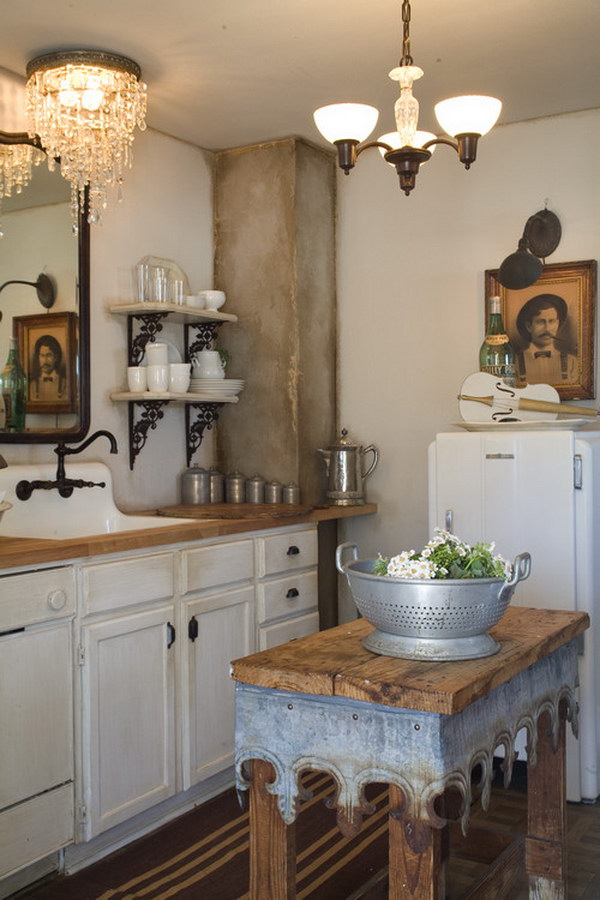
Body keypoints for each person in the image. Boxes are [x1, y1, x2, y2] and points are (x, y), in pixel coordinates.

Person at [515, 293, 577, 385]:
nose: (547, 328)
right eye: (540, 322)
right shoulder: (514, 363)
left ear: (558, 324)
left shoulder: (571, 362)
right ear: (529, 326)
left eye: (552, 321)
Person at [29, 334, 68, 402]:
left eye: (49, 355)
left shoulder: (65, 384)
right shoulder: (32, 385)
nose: (45, 361)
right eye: (42, 355)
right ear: (38, 357)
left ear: (56, 357)